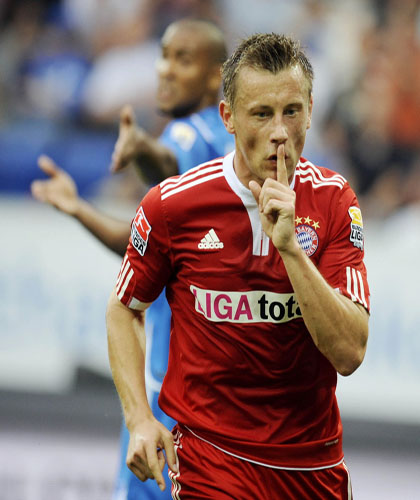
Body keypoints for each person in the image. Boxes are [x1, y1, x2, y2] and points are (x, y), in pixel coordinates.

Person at [106, 32, 370, 499]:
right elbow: (124, 308)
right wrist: (138, 418)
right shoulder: (173, 206)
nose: (279, 132)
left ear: (311, 109)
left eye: (292, 111)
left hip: (312, 465)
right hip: (211, 460)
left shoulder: (334, 201)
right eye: (262, 114)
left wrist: (291, 249)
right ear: (228, 116)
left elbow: (349, 353)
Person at [31, 19, 234, 500]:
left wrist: (142, 148)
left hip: (169, 393)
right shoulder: (229, 143)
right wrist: (79, 207)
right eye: (163, 56)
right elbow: (141, 242)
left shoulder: (190, 135)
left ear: (216, 75)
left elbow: (166, 163)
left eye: (183, 59)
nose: (165, 69)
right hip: (207, 396)